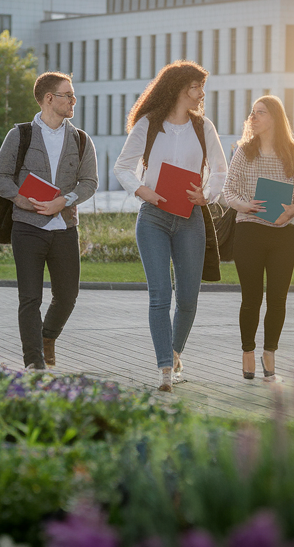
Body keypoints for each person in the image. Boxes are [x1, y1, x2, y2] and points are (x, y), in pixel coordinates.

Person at [114, 61, 227, 392]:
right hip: (153, 218)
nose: (201, 93)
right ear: (180, 88)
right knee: (161, 294)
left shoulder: (203, 127)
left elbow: (220, 169)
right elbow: (122, 167)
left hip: (190, 217)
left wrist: (206, 195)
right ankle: (165, 367)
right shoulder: (148, 125)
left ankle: (175, 352)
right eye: (196, 87)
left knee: (189, 298)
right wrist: (141, 189)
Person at [0, 72, 98, 370]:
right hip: (27, 229)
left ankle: (47, 337)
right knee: (30, 299)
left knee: (67, 296)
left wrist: (64, 201)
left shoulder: (80, 139)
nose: (73, 100)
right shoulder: (20, 135)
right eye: (68, 95)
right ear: (49, 98)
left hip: (65, 228)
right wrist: (21, 200)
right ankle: (34, 361)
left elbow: (89, 182)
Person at [222, 95, 294, 382]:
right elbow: (228, 191)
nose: (254, 118)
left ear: (275, 117)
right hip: (249, 231)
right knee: (251, 298)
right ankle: (248, 352)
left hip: (283, 232)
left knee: (278, 299)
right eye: (252, 113)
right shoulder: (243, 151)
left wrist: (291, 211)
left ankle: (269, 352)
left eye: (260, 113)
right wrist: (245, 205)